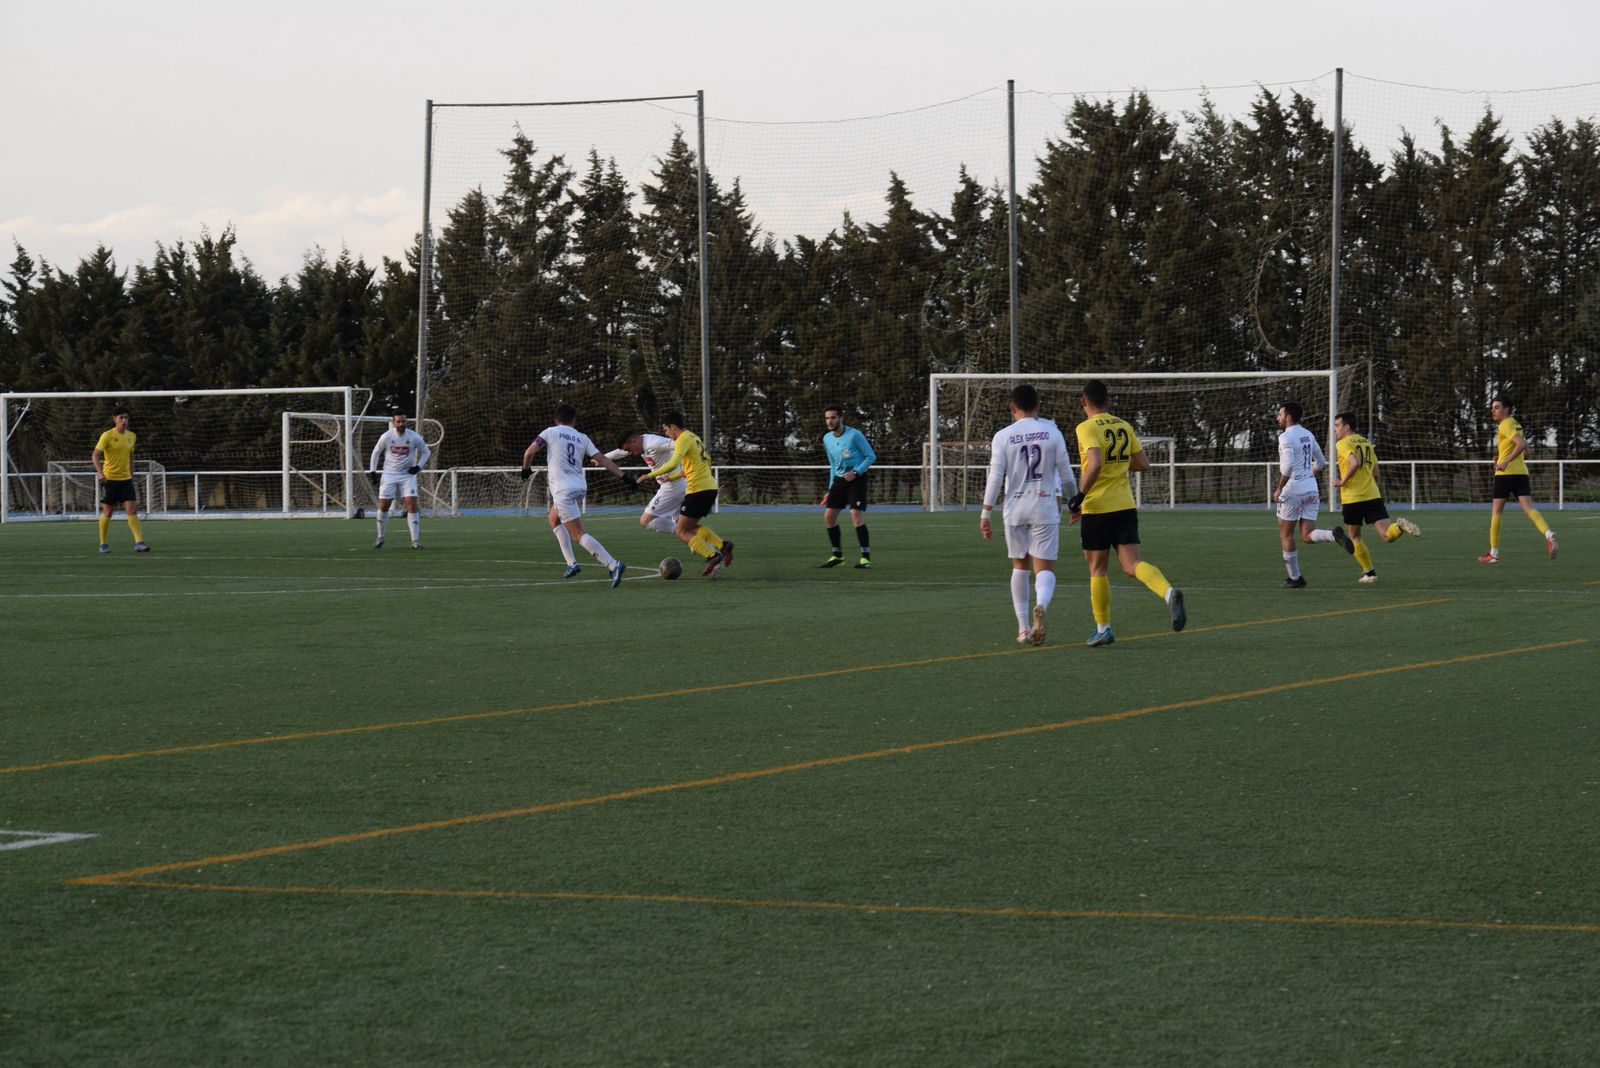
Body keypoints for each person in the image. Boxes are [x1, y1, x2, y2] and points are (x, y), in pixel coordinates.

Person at [1069, 380, 1185, 646]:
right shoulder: (1123, 425)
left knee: (1097, 569)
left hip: (1097, 507)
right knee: (1132, 565)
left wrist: (1079, 497)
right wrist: (1118, 466)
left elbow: (1095, 462)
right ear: (1108, 400)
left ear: (1083, 402)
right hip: (1125, 505)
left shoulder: (1085, 428)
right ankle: (1168, 593)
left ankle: (1103, 629)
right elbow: (1142, 463)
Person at [979, 384, 1075, 646]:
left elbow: (996, 476)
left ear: (1012, 408)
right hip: (1044, 506)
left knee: (1019, 567)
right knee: (1044, 568)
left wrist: (986, 512)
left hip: (1015, 509)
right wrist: (1076, 503)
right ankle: (1041, 605)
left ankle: (1023, 629)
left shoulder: (1003, 436)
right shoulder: (1052, 433)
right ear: (1038, 407)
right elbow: (1066, 474)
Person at [520, 403, 633, 587]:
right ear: (574, 420)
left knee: (578, 535)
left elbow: (529, 451)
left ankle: (613, 564)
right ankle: (571, 564)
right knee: (553, 519)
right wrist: (624, 476)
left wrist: (525, 469)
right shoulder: (582, 437)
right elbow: (602, 459)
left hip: (563, 490)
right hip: (580, 487)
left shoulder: (550, 432)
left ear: (556, 420)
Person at [636, 410, 733, 577]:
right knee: (691, 527)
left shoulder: (682, 439)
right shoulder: (694, 438)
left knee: (681, 531)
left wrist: (650, 475)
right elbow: (696, 465)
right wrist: (671, 477)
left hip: (698, 490)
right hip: (709, 488)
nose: (666, 433)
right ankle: (723, 545)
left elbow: (674, 462)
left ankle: (712, 556)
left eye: (666, 429)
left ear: (673, 427)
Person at [1330, 413, 1421, 583]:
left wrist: (1342, 481)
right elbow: (1376, 472)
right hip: (1372, 495)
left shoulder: (1342, 443)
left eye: (1337, 426)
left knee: (1354, 536)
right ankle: (1400, 526)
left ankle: (1369, 573)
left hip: (1353, 498)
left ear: (1347, 427)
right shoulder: (1365, 442)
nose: (1335, 430)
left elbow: (1354, 462)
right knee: (1387, 535)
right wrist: (1374, 489)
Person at [1479, 395, 1557, 563]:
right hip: (1521, 473)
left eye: (1497, 407)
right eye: (1492, 408)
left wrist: (1505, 461)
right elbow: (1525, 450)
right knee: (1528, 509)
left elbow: (1520, 445)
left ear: (1506, 409)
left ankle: (1493, 553)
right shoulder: (1516, 424)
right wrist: (1500, 456)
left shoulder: (1505, 425)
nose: (1493, 410)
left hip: (1505, 475)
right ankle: (1548, 534)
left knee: (1496, 512)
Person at [1272, 400, 1342, 588]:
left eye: (1279, 414)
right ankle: (1333, 535)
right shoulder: (1308, 434)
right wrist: (1307, 476)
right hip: (1311, 489)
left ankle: (1295, 578)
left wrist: (1279, 488)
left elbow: (1287, 466)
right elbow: (1320, 462)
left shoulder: (1285, 437)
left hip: (1292, 490)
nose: (1277, 417)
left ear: (1288, 417)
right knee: (1306, 534)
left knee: (1286, 535)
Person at [819, 406, 876, 568]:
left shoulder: (854, 435)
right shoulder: (827, 438)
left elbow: (871, 456)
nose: (829, 421)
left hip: (856, 479)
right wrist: (830, 489)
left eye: (833, 418)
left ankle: (865, 558)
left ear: (841, 418)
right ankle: (837, 556)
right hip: (838, 480)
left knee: (856, 517)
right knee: (829, 518)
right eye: (827, 418)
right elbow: (832, 464)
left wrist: (856, 472)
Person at [368, 411, 431, 549]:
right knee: (384, 505)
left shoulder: (414, 437)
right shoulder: (386, 436)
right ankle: (380, 538)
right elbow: (376, 452)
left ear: (406, 422)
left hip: (407, 475)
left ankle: (415, 541)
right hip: (389, 475)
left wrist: (418, 467)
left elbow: (426, 452)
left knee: (411, 504)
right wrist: (372, 471)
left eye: (403, 421)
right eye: (398, 422)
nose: (401, 424)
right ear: (393, 422)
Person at [92, 405, 149, 554]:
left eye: (126, 418)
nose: (124, 421)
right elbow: (95, 455)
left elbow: (131, 455)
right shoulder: (107, 436)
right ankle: (103, 544)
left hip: (126, 479)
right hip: (110, 479)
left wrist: (132, 472)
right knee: (108, 511)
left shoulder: (131, 436)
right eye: (121, 418)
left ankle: (139, 542)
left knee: (132, 509)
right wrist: (100, 473)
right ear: (115, 419)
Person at [606, 431, 684, 538]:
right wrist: (602, 458)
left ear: (634, 441)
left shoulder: (654, 443)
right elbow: (620, 452)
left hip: (673, 486)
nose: (630, 453)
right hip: (678, 485)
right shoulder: (640, 444)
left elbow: (681, 445)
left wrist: (685, 467)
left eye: (630, 449)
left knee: (646, 521)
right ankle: (712, 552)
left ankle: (683, 532)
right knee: (684, 524)